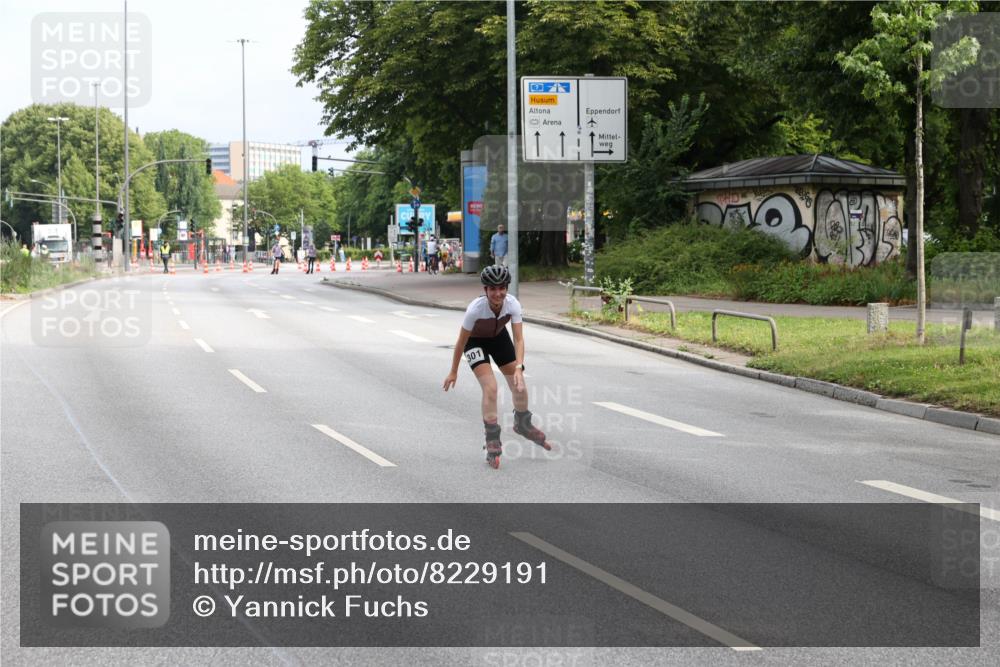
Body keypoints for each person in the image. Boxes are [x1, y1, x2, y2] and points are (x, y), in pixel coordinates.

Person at [442, 265, 550, 469]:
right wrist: (453, 371)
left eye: (502, 288)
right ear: (485, 290)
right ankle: (492, 438)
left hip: (499, 339)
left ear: (507, 288)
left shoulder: (513, 305)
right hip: (475, 342)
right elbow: (461, 342)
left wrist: (519, 367)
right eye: (492, 289)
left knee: (519, 385)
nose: (498, 293)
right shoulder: (475, 309)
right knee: (490, 387)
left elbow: (518, 339)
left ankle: (522, 423)